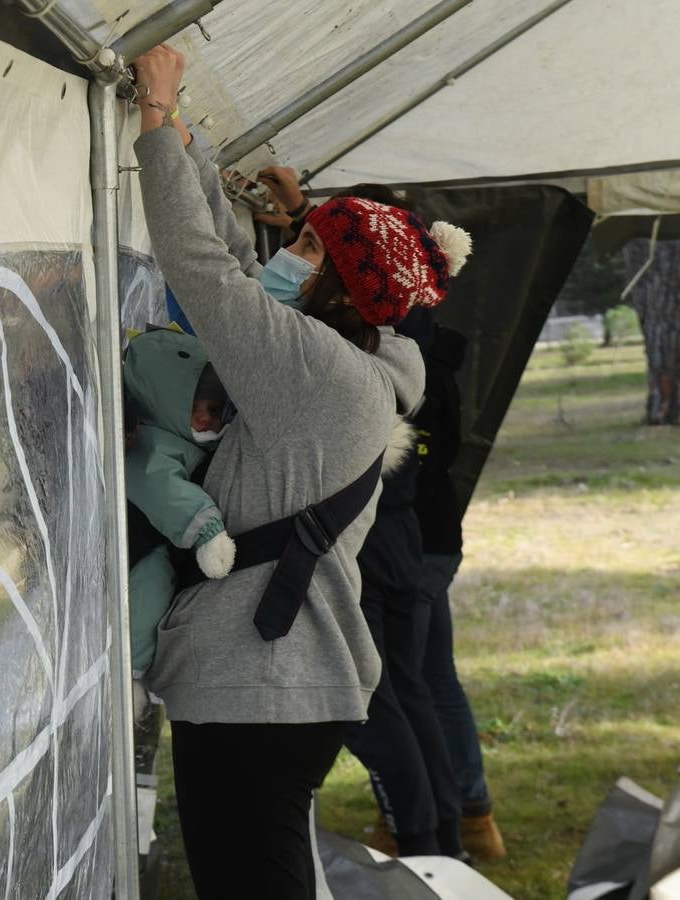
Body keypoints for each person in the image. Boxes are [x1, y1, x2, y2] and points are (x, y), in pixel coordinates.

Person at [128, 44, 471, 898]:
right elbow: (241, 272)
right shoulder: (361, 363)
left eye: (309, 248)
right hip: (281, 684)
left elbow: (206, 274)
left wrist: (154, 130)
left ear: (341, 287)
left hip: (257, 682)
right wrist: (179, 129)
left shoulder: (316, 371)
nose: (289, 254)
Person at [344, 306, 469, 861]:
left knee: (377, 701)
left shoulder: (378, 351)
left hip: (377, 537)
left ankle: (423, 845)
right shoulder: (417, 350)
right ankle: (445, 842)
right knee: (411, 690)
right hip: (402, 533)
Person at [412, 324, 508, 860]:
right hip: (429, 540)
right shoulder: (429, 354)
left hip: (420, 545)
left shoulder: (418, 362)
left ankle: (432, 822)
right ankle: (470, 817)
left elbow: (418, 467)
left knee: (412, 688)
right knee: (433, 679)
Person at [123, 328, 236, 676]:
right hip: (140, 545)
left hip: (144, 537)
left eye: (216, 412)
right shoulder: (153, 443)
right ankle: (133, 666)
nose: (207, 421)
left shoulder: (170, 436)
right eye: (201, 410)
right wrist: (207, 530)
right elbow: (162, 488)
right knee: (151, 588)